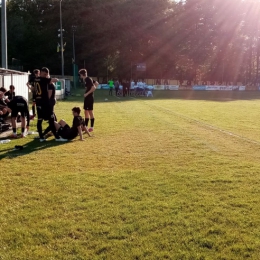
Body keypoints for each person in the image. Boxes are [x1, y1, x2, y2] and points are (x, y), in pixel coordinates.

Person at [35, 67, 66, 142]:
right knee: (51, 119)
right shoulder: (44, 80)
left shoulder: (36, 79)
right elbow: (55, 80)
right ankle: (56, 137)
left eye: (46, 74)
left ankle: (41, 137)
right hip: (45, 103)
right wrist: (50, 79)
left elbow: (33, 88)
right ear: (41, 72)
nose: (46, 76)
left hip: (38, 102)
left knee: (40, 119)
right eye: (44, 74)